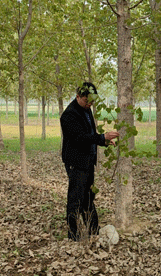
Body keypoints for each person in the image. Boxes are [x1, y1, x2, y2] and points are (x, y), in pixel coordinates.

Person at [60, 82, 120, 241]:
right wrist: (101, 137)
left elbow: (90, 135)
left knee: (88, 197)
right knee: (75, 199)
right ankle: (73, 235)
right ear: (78, 96)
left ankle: (93, 230)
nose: (89, 104)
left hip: (87, 161)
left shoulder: (86, 111)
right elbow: (79, 138)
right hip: (76, 162)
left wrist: (103, 141)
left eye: (92, 102)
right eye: (87, 101)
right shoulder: (69, 115)